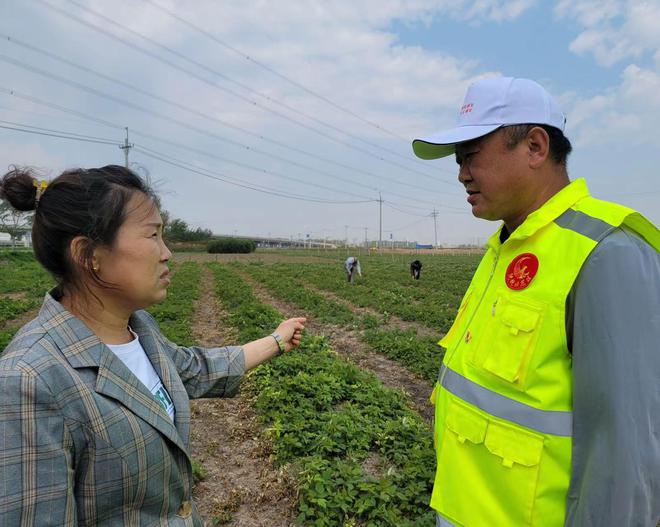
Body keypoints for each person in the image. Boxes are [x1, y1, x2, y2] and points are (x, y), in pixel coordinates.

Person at [412, 77, 660, 526]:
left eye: (471, 156)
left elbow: (627, 457)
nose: (462, 174)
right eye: (458, 160)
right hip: (463, 508)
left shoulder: (606, 251)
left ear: (535, 147)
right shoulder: (504, 246)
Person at [0, 165, 306, 526]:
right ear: (89, 255)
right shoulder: (30, 382)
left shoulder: (138, 329)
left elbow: (193, 369)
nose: (167, 253)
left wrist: (275, 341)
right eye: (153, 236)